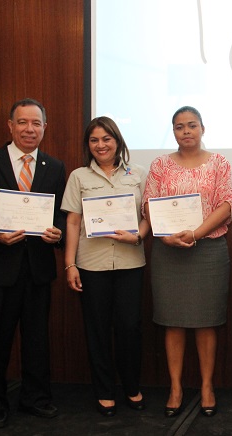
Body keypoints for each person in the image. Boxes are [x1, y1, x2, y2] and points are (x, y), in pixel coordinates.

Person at [0, 98, 66, 428]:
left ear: (45, 128)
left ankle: (35, 398)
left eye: (36, 123)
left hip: (37, 268)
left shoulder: (55, 167)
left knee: (36, 339)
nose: (29, 129)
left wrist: (57, 233)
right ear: (10, 126)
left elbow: (62, 213)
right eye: (22, 122)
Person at [142, 106, 232, 418]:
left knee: (206, 319)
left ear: (202, 128)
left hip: (208, 250)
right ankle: (176, 387)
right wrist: (166, 235)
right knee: (173, 319)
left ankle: (207, 386)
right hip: (168, 251)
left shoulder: (220, 162)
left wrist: (195, 233)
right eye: (179, 127)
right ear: (174, 132)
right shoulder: (159, 165)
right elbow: (149, 204)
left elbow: (226, 204)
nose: (186, 131)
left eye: (192, 125)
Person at [60, 116, 149, 416]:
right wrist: (70, 264)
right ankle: (104, 391)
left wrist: (138, 235)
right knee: (96, 329)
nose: (101, 145)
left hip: (130, 262)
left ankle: (132, 387)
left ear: (118, 141)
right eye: (94, 140)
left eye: (106, 139)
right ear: (88, 145)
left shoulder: (138, 174)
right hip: (91, 264)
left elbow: (149, 215)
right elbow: (72, 221)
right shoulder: (79, 177)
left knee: (130, 327)